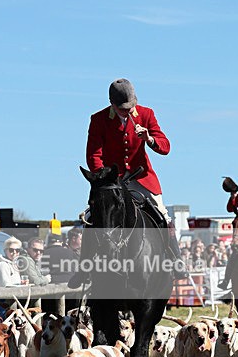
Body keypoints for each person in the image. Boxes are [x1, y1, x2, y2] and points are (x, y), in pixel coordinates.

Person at [76, 77, 187, 281]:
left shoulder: (146, 114)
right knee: (92, 218)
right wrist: (104, 178)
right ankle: (84, 269)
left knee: (163, 215)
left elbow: (166, 146)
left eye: (130, 107)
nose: (128, 111)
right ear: (112, 104)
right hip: (112, 180)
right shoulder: (98, 119)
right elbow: (94, 155)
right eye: (123, 108)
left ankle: (175, 260)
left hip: (142, 177)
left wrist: (150, 139)